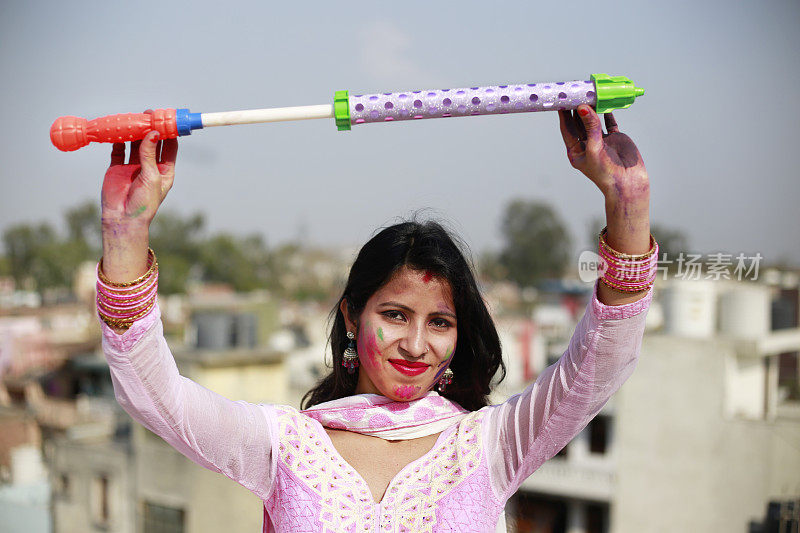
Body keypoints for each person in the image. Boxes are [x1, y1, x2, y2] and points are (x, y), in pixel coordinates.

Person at [97, 104, 656, 532]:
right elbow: (154, 394)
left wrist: (626, 199)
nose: (416, 344)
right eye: (394, 314)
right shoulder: (287, 446)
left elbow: (598, 364)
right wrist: (126, 235)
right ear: (351, 315)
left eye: (440, 323)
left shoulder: (487, 444)